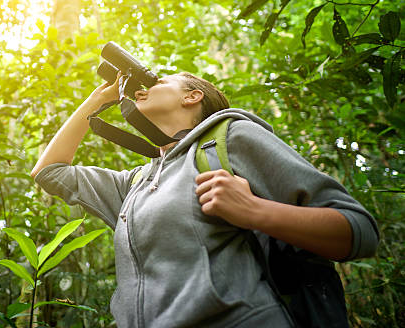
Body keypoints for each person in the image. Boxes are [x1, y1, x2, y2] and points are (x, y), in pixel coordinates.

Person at [31, 72, 379, 328]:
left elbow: (358, 231)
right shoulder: (136, 183)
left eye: (161, 80)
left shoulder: (232, 137)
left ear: (192, 96)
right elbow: (49, 172)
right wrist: (98, 101)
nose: (144, 87)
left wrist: (255, 211)